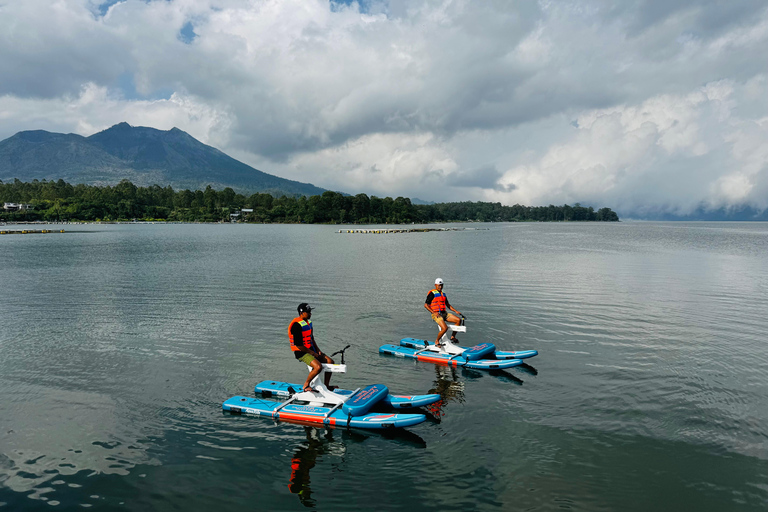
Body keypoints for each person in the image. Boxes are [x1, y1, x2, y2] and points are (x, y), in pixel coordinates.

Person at [289, 303, 335, 392]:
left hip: (311, 350)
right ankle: (306, 385)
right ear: (301, 313)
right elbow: (299, 345)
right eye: (308, 312)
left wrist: (318, 350)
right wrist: (312, 353)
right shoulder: (296, 325)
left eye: (310, 312)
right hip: (301, 352)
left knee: (330, 362)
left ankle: (326, 386)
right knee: (318, 367)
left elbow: (311, 338)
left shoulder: (308, 323)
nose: (310, 314)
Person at [424, 278, 463, 347]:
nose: (440, 287)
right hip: (436, 314)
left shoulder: (443, 294)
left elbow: (448, 305)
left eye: (441, 285)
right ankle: (437, 341)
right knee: (445, 328)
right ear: (435, 285)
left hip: (444, 313)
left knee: (458, 320)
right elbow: (426, 305)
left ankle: (452, 337)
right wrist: (434, 312)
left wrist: (455, 311)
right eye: (439, 285)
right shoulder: (432, 294)